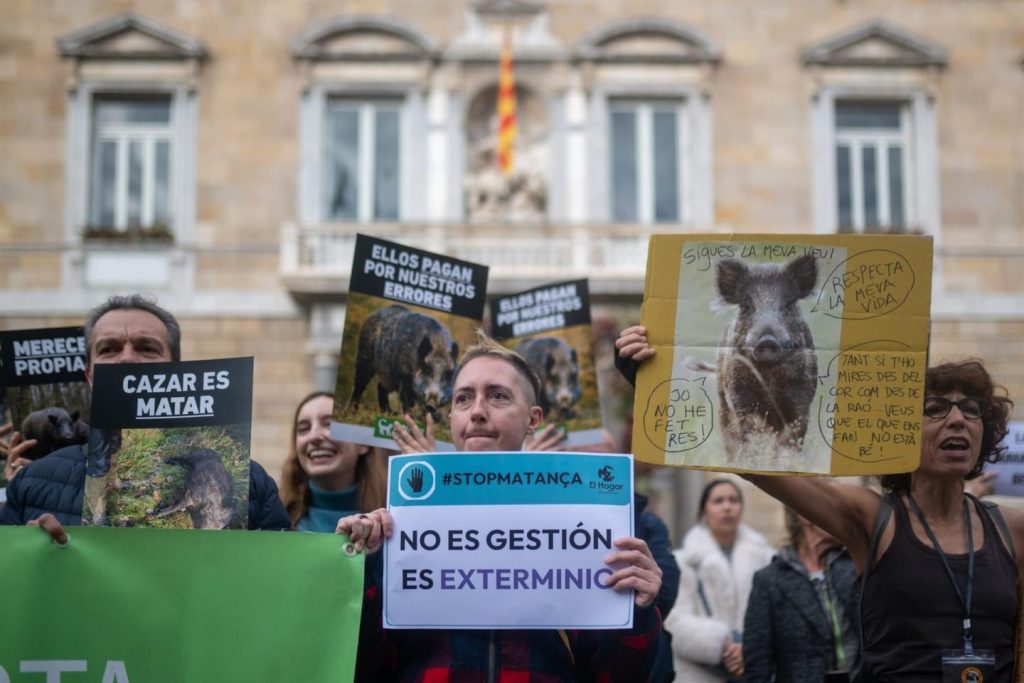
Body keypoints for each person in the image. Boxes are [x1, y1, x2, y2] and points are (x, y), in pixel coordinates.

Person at [616, 326, 1023, 682]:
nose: (958, 421)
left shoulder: (1012, 528)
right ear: (898, 432)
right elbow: (751, 464)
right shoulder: (873, 518)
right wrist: (659, 383)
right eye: (935, 410)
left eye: (971, 410)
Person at [339, 334, 664, 682]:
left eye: (498, 396)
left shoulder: (581, 525)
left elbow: (614, 675)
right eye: (464, 399)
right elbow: (365, 667)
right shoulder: (399, 525)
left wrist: (640, 611)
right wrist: (357, 568)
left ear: (533, 418)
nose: (478, 411)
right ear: (451, 418)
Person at [0, 294, 290, 536]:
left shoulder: (253, 483)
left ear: (176, 369)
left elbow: (280, 580)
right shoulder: (32, 482)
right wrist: (29, 554)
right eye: (109, 349)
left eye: (147, 348)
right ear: (90, 375)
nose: (126, 358)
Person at [663, 478, 772, 682]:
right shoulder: (682, 562)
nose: (727, 507)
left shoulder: (766, 558)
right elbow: (673, 620)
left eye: (733, 500)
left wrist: (751, 648)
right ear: (704, 511)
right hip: (700, 673)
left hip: (756, 670)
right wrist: (722, 644)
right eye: (718, 501)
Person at [742, 509, 860, 682]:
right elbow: (757, 664)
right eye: (834, 509)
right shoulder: (770, 580)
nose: (843, 520)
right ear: (805, 514)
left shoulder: (856, 565)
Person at [279, 391, 388, 532]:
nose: (314, 436)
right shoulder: (275, 519)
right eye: (303, 429)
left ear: (363, 443)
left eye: (330, 424)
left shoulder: (394, 522)